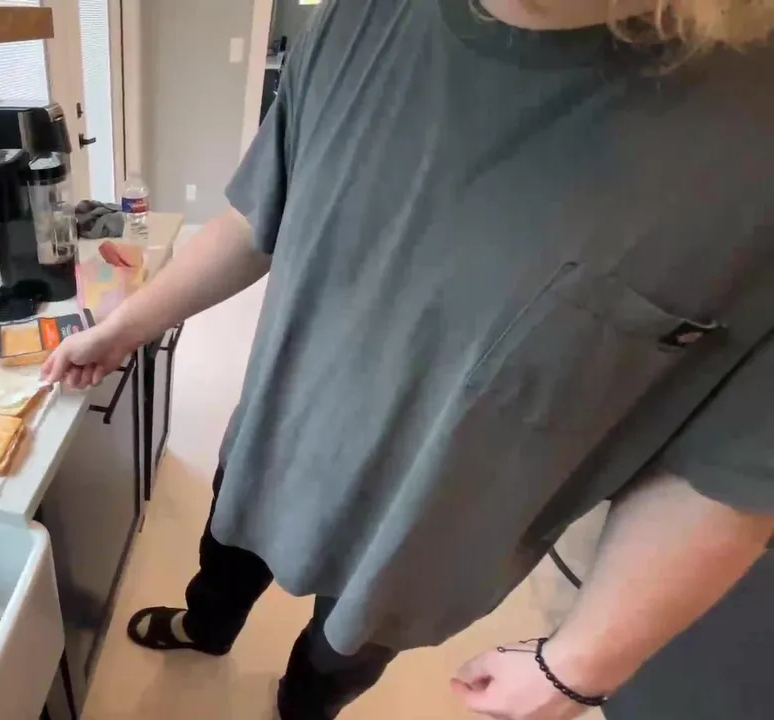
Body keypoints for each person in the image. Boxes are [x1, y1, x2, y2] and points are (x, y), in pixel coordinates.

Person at [42, 0, 774, 717]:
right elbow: (256, 214)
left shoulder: (751, 139)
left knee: (333, 664)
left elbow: (732, 468)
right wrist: (125, 327)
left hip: (423, 531)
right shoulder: (356, 19)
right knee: (224, 563)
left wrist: (582, 665)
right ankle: (207, 628)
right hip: (276, 440)